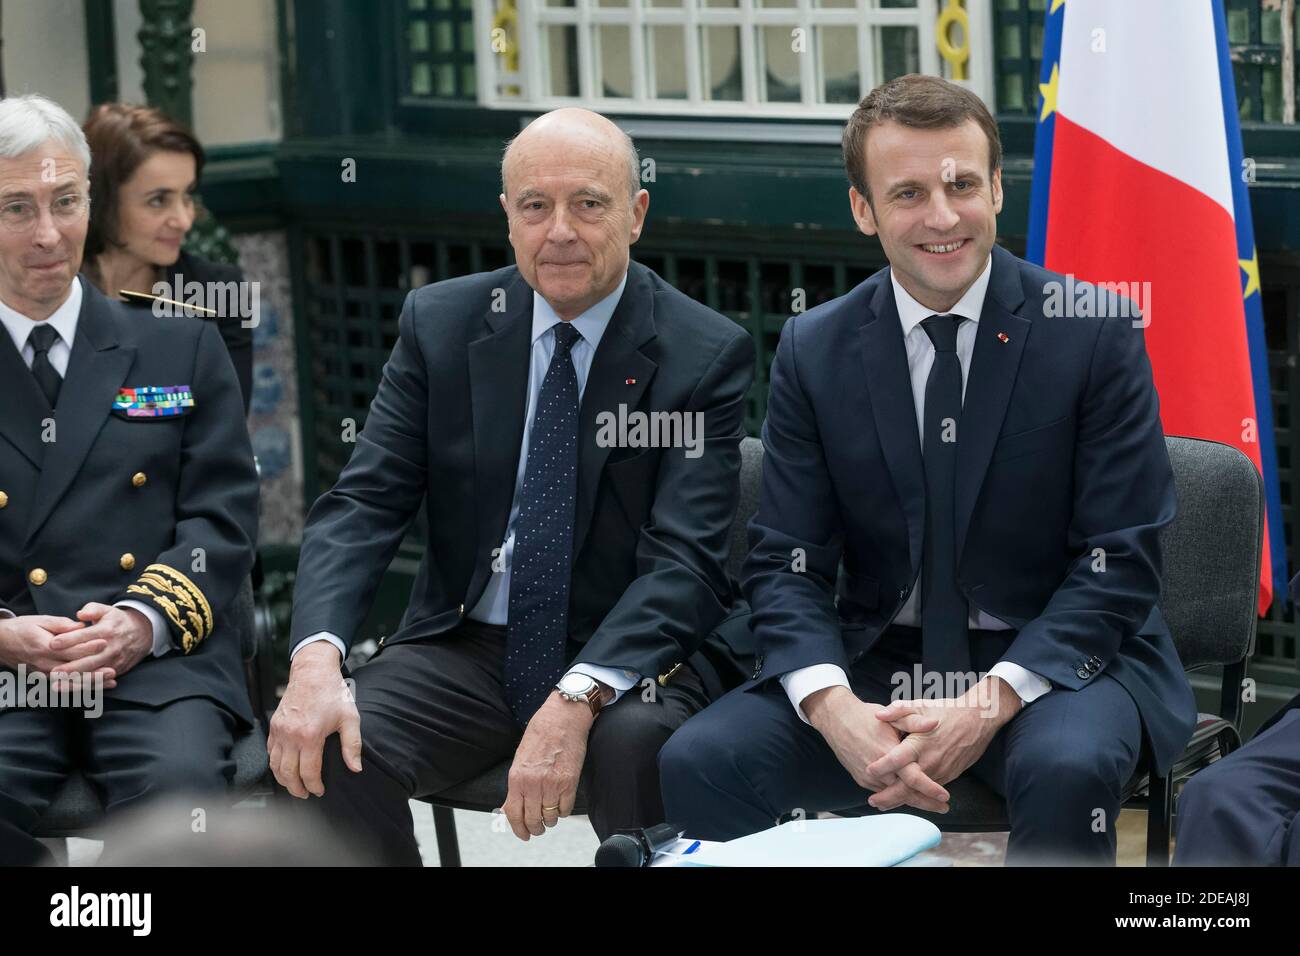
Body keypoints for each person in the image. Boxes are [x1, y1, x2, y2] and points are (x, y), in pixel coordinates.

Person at [659, 74, 1197, 865]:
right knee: (700, 758)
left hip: (1056, 659)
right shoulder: (816, 348)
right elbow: (785, 561)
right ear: (862, 209)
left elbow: (1119, 559)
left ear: (998, 190)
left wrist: (989, 703)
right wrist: (832, 704)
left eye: (962, 185)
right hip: (877, 656)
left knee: (1067, 767)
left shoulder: (1092, 332)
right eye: (907, 193)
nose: (942, 217)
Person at [268, 107, 755, 864]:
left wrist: (577, 696)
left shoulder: (702, 353)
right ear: (508, 217)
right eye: (535, 206)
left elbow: (685, 562)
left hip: (626, 654)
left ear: (636, 214)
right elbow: (365, 503)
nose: (559, 229)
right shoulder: (444, 324)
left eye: (588, 204)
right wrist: (315, 659)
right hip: (471, 645)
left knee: (639, 747)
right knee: (328, 745)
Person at [0, 93, 258, 865]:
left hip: (156, 661)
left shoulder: (178, 344)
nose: (49, 235)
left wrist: (143, 618)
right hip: (9, 663)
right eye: (16, 208)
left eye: (66, 201)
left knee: (183, 813)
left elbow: (224, 520)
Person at [81, 102, 253, 413]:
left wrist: (117, 404)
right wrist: (173, 402)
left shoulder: (218, 291)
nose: (184, 220)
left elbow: (227, 417)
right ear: (103, 202)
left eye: (187, 195)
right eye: (158, 201)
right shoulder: (56, 288)